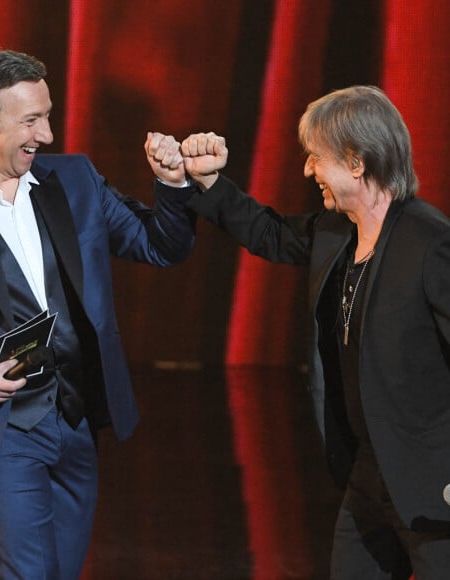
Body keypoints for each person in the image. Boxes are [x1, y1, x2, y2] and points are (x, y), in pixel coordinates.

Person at [0, 48, 195, 579]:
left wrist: (173, 185)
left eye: (47, 115)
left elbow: (161, 246)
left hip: (75, 422)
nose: (46, 134)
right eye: (31, 120)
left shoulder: (76, 181)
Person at [180, 86, 450, 579]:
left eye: (315, 158)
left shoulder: (430, 243)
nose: (307, 171)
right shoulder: (336, 231)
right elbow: (270, 233)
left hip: (434, 486)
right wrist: (209, 182)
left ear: (355, 162)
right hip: (369, 475)